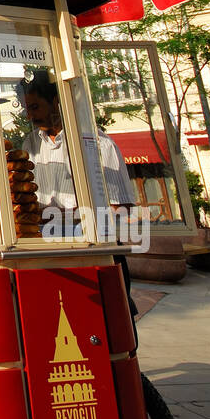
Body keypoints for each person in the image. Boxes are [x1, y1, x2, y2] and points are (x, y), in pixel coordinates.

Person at [17, 69, 138, 323]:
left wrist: (72, 216)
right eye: (28, 108)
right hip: (48, 252)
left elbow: (121, 210)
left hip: (93, 251)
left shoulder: (97, 145)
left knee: (106, 324)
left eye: (36, 106)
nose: (31, 115)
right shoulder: (30, 145)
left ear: (57, 103)